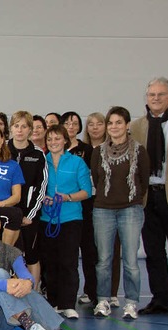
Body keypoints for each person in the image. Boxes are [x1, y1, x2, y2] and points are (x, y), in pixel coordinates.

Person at [130, 77, 168, 320]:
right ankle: (159, 299)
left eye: (161, 95)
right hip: (148, 197)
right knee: (153, 252)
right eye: (152, 95)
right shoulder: (138, 126)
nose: (156, 99)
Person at [91, 106, 150, 320]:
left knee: (131, 262)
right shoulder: (98, 152)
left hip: (130, 210)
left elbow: (144, 181)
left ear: (127, 125)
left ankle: (132, 303)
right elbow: (96, 179)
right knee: (104, 260)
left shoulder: (139, 151)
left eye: (118, 122)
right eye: (111, 123)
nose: (114, 127)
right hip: (103, 211)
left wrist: (131, 200)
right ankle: (103, 300)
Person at [36, 125, 92, 319]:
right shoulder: (42, 162)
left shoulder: (77, 162)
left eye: (57, 138)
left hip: (71, 219)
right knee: (50, 262)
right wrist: (42, 198)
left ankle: (68, 304)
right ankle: (53, 302)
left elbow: (87, 191)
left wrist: (67, 197)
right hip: (46, 219)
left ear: (65, 140)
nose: (53, 142)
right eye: (49, 139)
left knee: (68, 262)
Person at [84, 112, 122, 307]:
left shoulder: (115, 149)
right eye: (91, 124)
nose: (95, 127)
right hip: (86, 204)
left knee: (110, 249)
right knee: (91, 249)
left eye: (100, 123)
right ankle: (91, 291)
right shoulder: (82, 150)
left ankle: (111, 292)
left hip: (109, 204)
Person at [60, 111, 97, 306]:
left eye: (75, 123)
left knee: (89, 252)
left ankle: (91, 292)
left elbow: (89, 185)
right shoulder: (52, 154)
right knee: (66, 256)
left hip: (84, 209)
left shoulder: (87, 150)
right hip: (60, 214)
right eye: (66, 123)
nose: (71, 126)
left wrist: (72, 196)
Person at [7, 111, 48, 287]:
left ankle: (33, 293)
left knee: (31, 255)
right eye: (16, 126)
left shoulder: (38, 154)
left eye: (24, 126)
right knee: (8, 254)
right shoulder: (3, 150)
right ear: (11, 128)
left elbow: (41, 187)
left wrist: (30, 215)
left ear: (30, 130)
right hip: (7, 214)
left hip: (29, 216)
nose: (20, 130)